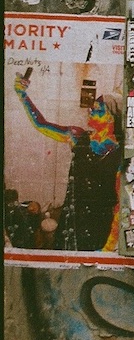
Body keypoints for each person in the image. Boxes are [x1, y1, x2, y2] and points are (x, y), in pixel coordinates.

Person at [12, 71, 120, 252]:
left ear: (112, 118)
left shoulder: (119, 155)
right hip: (72, 221)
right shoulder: (77, 136)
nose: (91, 110)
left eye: (99, 109)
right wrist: (22, 95)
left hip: (99, 227)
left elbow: (119, 206)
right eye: (92, 107)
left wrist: (108, 247)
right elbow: (41, 124)